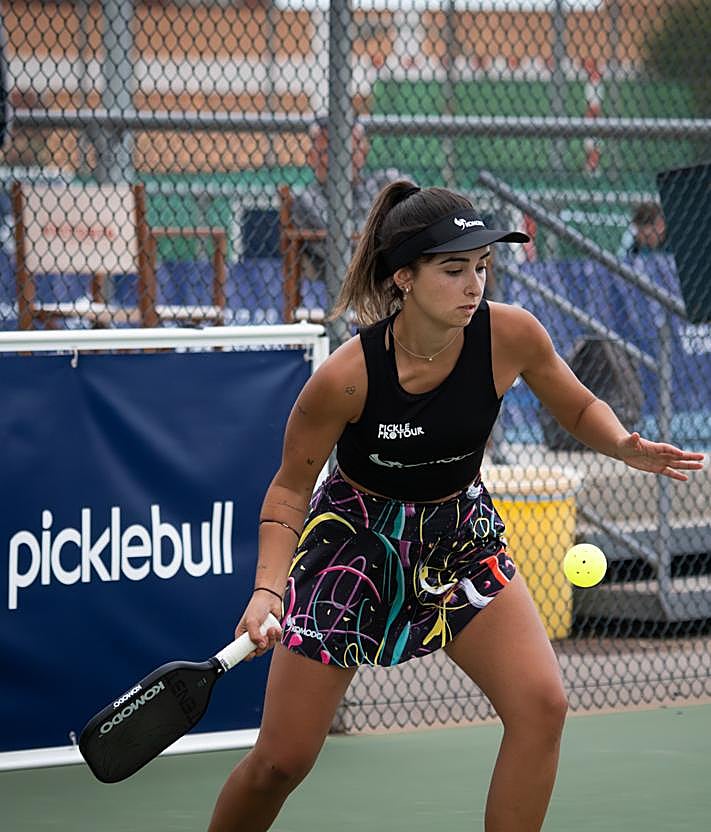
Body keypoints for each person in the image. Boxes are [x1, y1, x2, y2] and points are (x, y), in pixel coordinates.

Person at [208, 181, 704, 832]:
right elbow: (289, 491)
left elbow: (577, 404)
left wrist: (618, 442)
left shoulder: (510, 336)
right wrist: (268, 590)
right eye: (453, 269)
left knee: (541, 705)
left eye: (481, 267)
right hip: (354, 546)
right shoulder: (346, 377)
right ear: (403, 278)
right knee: (282, 761)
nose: (473, 285)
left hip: (458, 537)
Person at [291, 117, 405, 280]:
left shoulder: (385, 181)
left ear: (364, 151)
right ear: (311, 157)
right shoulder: (307, 200)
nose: (341, 159)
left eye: (350, 151)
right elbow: (342, 250)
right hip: (351, 278)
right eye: (328, 152)